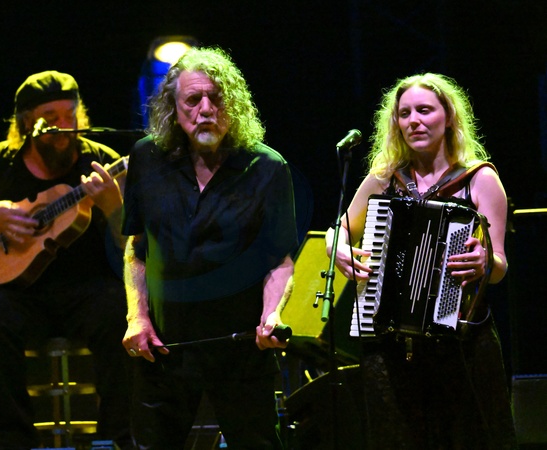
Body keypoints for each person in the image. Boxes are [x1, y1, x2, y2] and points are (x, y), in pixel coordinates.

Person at [0, 70, 133, 450]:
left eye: (70, 115)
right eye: (51, 117)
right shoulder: (0, 162)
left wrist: (113, 207)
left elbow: (133, 244)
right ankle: (11, 439)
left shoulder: (101, 162)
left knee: (118, 310)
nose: (63, 126)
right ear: (27, 123)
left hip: (89, 291)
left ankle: (120, 438)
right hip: (20, 296)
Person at [120, 46, 299, 449]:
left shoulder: (268, 168)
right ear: (173, 108)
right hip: (163, 348)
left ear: (233, 104)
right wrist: (137, 317)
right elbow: (136, 248)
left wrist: (272, 315)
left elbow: (279, 261)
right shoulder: (146, 157)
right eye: (192, 100)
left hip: (239, 348)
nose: (205, 110)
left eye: (216, 99)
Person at [326, 73, 516, 449]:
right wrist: (339, 250)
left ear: (448, 117)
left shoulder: (479, 179)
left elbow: (499, 266)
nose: (414, 120)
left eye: (425, 110)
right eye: (405, 113)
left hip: (462, 342)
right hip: (388, 343)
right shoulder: (384, 179)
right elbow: (339, 229)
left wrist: (484, 262)